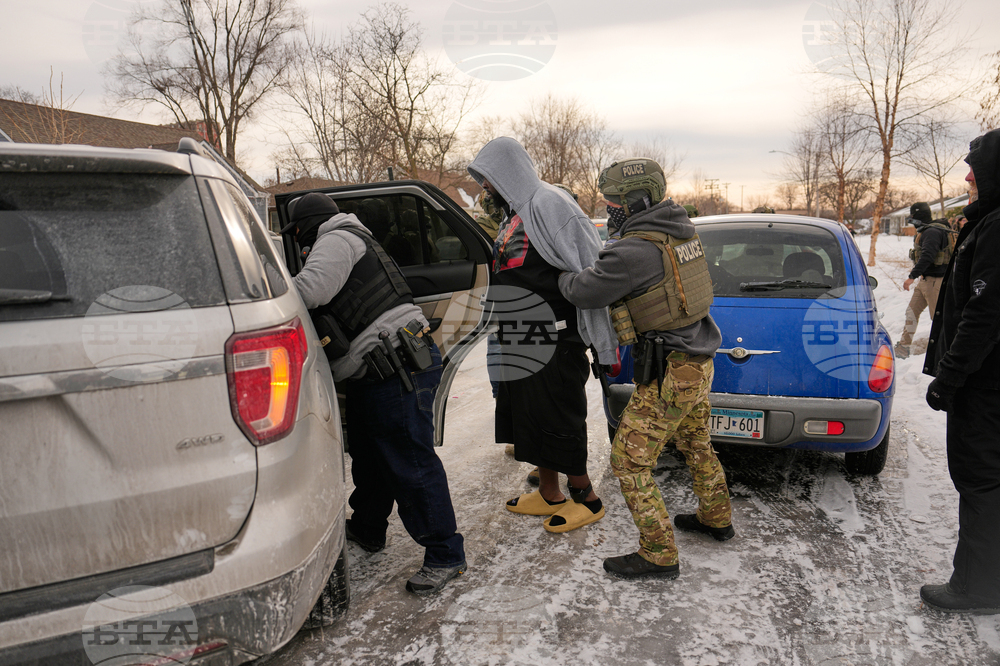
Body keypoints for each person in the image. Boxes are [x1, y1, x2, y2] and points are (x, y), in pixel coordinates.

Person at [558, 158, 734, 580]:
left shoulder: (634, 249)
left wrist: (561, 275)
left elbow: (584, 290)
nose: (609, 209)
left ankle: (658, 553)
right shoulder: (680, 229)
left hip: (670, 370)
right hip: (698, 361)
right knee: (696, 444)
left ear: (635, 201)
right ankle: (716, 517)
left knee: (629, 462)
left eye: (613, 202)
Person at [284, 192, 466, 596]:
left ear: (306, 226)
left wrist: (265, 289)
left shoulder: (337, 238)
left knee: (410, 462)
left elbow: (309, 291)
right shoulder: (348, 237)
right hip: (380, 369)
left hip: (395, 368)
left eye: (296, 233)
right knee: (371, 458)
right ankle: (368, 529)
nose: (297, 241)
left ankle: (445, 554)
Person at [467, 137, 618, 533]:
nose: (485, 186)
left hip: (556, 338)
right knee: (530, 421)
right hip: (522, 336)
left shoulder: (550, 203)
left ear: (507, 170)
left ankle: (587, 498)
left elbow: (590, 269)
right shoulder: (515, 213)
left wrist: (603, 341)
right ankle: (550, 492)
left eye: (487, 177)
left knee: (560, 419)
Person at [921, 128, 1000, 614]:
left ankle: (977, 587)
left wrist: (949, 377)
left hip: (984, 385)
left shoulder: (996, 226)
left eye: (976, 169)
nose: (968, 178)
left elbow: (984, 313)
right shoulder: (987, 220)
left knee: (980, 480)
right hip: (987, 379)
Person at [894, 202, 952, 360]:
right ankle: (903, 347)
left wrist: (911, 276)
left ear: (919, 216)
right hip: (925, 280)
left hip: (935, 281)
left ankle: (945, 352)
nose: (912, 220)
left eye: (913, 216)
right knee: (911, 312)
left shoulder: (932, 232)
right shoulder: (929, 230)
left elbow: (928, 256)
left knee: (938, 319)